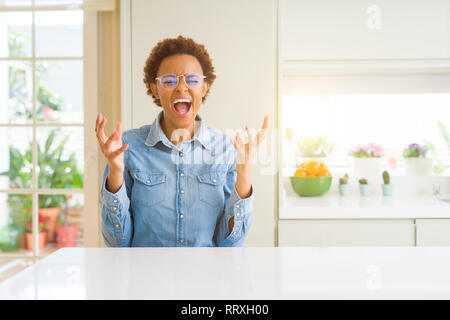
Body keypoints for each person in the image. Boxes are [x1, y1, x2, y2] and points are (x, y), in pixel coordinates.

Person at [95, 35, 268, 247]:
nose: (181, 88)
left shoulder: (227, 150)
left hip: (207, 278)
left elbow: (230, 245)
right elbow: (117, 243)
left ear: (204, 87)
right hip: (146, 278)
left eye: (192, 80)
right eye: (169, 81)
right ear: (154, 88)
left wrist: (244, 174)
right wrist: (115, 173)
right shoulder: (128, 148)